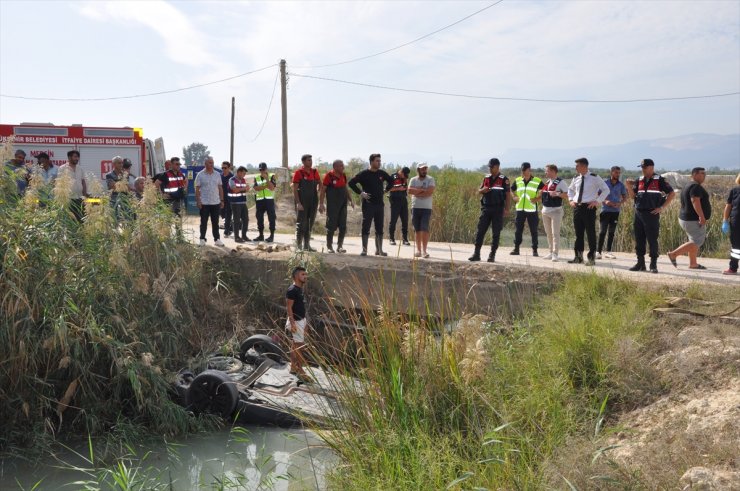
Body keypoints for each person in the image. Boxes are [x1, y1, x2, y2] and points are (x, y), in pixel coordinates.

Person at [625, 158, 676, 273]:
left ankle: (653, 264)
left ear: (651, 168)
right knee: (639, 239)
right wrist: (628, 186)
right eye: (641, 167)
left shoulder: (660, 180)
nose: (642, 169)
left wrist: (662, 207)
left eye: (644, 167)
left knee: (652, 240)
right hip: (638, 213)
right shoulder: (640, 180)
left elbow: (672, 193)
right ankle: (640, 264)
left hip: (651, 214)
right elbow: (633, 197)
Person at [567, 158, 610, 265]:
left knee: (590, 233)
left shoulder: (594, 177)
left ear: (584, 166)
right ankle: (578, 257)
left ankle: (591, 258)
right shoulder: (576, 177)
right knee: (578, 234)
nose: (575, 168)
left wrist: (597, 201)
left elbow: (606, 190)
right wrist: (571, 200)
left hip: (588, 208)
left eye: (577, 166)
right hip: (577, 208)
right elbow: (570, 190)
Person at [349, 153, 393, 256]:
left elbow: (391, 181)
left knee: (379, 228)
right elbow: (351, 183)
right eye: (377, 161)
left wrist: (386, 190)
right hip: (368, 204)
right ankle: (364, 250)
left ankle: (379, 250)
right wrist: (361, 193)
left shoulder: (382, 173)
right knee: (366, 227)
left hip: (379, 205)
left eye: (380, 161)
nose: (379, 163)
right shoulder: (364, 174)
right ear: (372, 161)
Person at [667, 167, 711, 269]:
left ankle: (693, 263)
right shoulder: (695, 187)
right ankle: (673, 254)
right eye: (702, 173)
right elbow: (695, 200)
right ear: (694, 174)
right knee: (696, 242)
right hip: (693, 220)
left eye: (705, 174)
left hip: (686, 218)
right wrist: (701, 216)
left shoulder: (687, 185)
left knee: (693, 241)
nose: (704, 175)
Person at [469, 158, 511, 262]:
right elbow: (478, 191)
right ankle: (476, 254)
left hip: (498, 209)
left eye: (491, 167)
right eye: (489, 167)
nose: (490, 169)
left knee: (496, 233)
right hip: (486, 208)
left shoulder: (504, 179)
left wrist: (507, 209)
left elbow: (508, 195)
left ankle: (492, 255)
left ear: (497, 167)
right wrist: (482, 190)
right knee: (480, 231)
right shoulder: (486, 178)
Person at [319, 159, 354, 253]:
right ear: (335, 167)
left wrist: (350, 200)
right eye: (341, 166)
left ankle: (340, 246)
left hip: (343, 204)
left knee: (343, 226)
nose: (343, 167)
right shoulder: (329, 176)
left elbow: (345, 188)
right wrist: (321, 204)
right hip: (333, 205)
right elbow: (323, 191)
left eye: (343, 165)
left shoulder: (343, 175)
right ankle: (329, 247)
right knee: (331, 226)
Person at [510, 162, 543, 256]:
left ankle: (535, 250)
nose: (524, 172)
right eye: (522, 170)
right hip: (520, 209)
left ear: (530, 170)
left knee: (534, 230)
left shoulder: (537, 180)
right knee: (518, 230)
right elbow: (511, 189)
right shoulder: (518, 180)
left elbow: (545, 190)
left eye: (525, 170)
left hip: (532, 210)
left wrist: (538, 198)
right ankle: (516, 249)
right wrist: (514, 197)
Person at [597, 166, 627, 259]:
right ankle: (598, 252)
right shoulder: (604, 183)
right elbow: (598, 193)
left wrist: (620, 203)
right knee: (602, 231)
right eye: (616, 172)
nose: (618, 174)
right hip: (605, 210)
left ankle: (609, 252)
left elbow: (625, 197)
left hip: (615, 211)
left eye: (619, 173)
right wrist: (605, 201)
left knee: (611, 232)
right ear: (611, 172)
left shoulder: (621, 185)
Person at [540, 164, 570, 261]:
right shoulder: (547, 182)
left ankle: (555, 254)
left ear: (553, 171)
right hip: (545, 211)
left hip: (556, 211)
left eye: (547, 171)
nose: (545, 172)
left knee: (555, 233)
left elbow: (567, 195)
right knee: (548, 233)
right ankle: (550, 252)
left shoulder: (561, 182)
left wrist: (557, 193)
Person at [292, 154, 321, 251]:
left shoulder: (314, 172)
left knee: (310, 223)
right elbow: (295, 189)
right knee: (301, 223)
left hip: (313, 201)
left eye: (311, 160)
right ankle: (298, 245)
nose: (311, 162)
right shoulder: (298, 173)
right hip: (302, 201)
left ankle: (307, 246)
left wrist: (318, 189)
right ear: (303, 162)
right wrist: (298, 203)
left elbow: (320, 183)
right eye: (308, 160)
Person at [194, 157, 225, 246]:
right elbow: (197, 189)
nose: (212, 164)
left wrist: (222, 200)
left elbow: (220, 188)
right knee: (203, 222)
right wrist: (198, 201)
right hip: (204, 203)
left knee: (215, 222)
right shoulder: (200, 175)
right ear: (205, 164)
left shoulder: (217, 174)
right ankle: (202, 239)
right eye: (210, 163)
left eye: (212, 162)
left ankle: (217, 239)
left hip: (215, 202)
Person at [407, 163, 436, 258]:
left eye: (425, 169)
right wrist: (422, 190)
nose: (424, 170)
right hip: (415, 207)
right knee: (417, 229)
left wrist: (417, 192)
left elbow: (429, 192)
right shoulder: (413, 179)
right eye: (422, 169)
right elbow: (410, 191)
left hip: (426, 208)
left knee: (424, 228)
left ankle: (424, 251)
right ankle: (418, 250)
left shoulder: (430, 179)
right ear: (418, 170)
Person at [286, 267, 309, 379]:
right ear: (296, 276)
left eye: (305, 274)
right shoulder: (292, 290)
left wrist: (305, 322)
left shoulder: (300, 289)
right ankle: (300, 370)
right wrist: (293, 323)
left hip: (301, 320)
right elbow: (289, 308)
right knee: (300, 347)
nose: (305, 276)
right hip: (295, 321)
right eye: (302, 274)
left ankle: (293, 367)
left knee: (295, 345)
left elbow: (301, 306)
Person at [58, 150, 87, 223]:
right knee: (70, 220)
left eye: (78, 157)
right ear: (69, 157)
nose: (77, 159)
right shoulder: (62, 168)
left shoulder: (80, 169)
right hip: (69, 199)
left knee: (81, 218)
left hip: (79, 198)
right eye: (75, 157)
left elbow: (83, 182)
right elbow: (60, 183)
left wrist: (84, 196)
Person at [387, 167, 411, 246]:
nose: (405, 177)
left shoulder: (405, 178)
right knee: (393, 220)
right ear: (401, 172)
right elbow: (388, 189)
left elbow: (405, 187)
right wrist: (398, 188)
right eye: (404, 175)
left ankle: (405, 239)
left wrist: (405, 188)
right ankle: (391, 238)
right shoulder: (393, 176)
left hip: (403, 200)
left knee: (405, 220)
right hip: (395, 201)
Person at [721, 173, 740, 275]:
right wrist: (725, 220)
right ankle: (733, 268)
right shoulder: (735, 191)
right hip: (736, 223)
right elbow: (728, 207)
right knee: (736, 247)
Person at [254, 162, 277, 242]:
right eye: (260, 170)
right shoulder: (256, 177)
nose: (262, 171)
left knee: (272, 218)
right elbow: (256, 188)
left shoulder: (272, 176)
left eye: (263, 169)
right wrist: (265, 186)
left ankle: (271, 236)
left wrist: (267, 179)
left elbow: (272, 188)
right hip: (260, 201)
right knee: (259, 218)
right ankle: (261, 235)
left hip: (269, 200)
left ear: (266, 169)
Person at [228, 166, 251, 243]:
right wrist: (244, 189)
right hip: (235, 203)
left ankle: (244, 235)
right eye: (243, 173)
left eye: (245, 173)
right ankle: (237, 237)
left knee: (246, 219)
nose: (244, 175)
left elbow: (242, 191)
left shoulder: (243, 180)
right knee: (236, 220)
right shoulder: (232, 180)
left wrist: (247, 189)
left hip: (243, 202)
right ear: (239, 172)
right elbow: (234, 190)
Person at [105, 156, 127, 222]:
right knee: (115, 218)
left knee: (125, 218)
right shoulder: (109, 175)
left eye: (122, 163)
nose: (121, 165)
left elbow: (126, 187)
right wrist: (122, 185)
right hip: (114, 199)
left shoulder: (124, 174)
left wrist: (117, 183)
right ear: (114, 164)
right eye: (119, 163)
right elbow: (112, 187)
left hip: (124, 198)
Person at [220, 161, 234, 238]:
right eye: (222, 168)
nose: (223, 169)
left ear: (229, 168)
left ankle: (226, 231)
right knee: (222, 214)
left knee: (228, 214)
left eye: (225, 168)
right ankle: (230, 227)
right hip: (221, 198)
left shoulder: (232, 177)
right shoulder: (220, 176)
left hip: (229, 199)